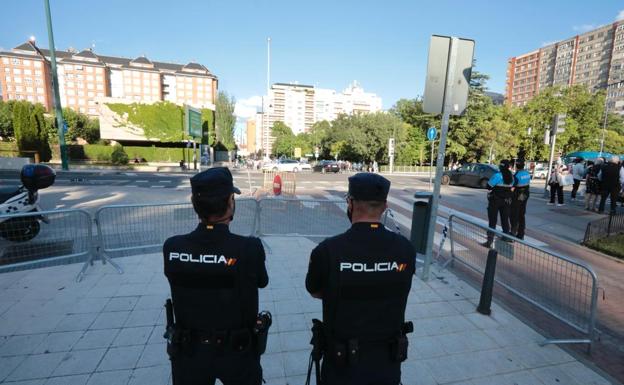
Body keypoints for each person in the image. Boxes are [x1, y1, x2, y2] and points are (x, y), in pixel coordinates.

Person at [305, 173, 415, 385]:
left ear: (350, 203)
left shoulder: (327, 251)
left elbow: (315, 291)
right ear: (384, 206)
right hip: (387, 363)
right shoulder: (405, 249)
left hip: (342, 365)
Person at [163, 167, 269, 385]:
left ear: (195, 204)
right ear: (231, 202)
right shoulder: (249, 248)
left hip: (190, 352)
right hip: (238, 352)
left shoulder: (172, 247)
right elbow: (262, 281)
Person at [482, 159, 515, 248]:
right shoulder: (511, 176)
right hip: (506, 201)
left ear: (500, 166)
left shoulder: (497, 175)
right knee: (505, 220)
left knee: (492, 221)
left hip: (495, 201)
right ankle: (506, 237)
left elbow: (488, 186)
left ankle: (489, 241)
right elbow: (512, 187)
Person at [510, 160, 531, 240]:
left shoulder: (517, 175)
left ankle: (513, 233)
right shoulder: (527, 173)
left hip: (518, 195)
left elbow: (512, 187)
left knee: (514, 214)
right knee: (521, 215)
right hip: (525, 194)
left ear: (516, 166)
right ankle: (521, 234)